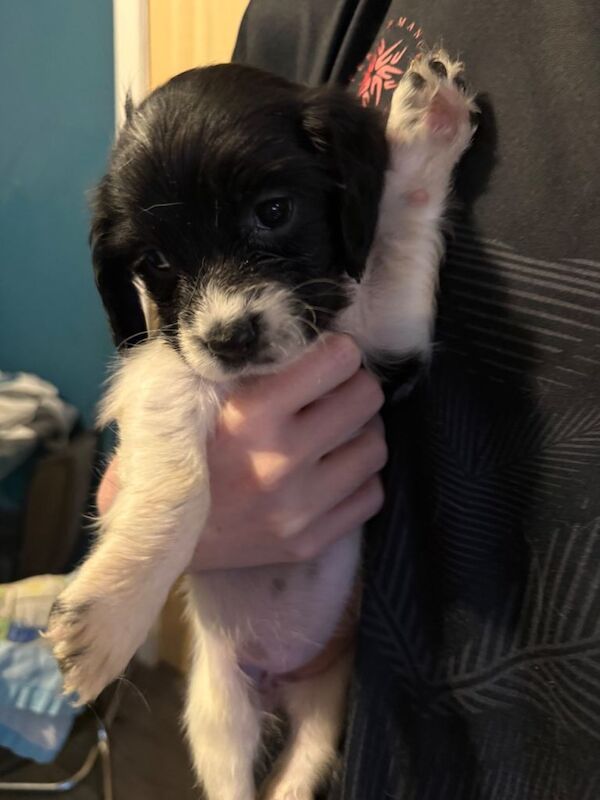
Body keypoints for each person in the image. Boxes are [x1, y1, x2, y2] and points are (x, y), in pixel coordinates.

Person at [99, 2, 600, 797]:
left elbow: (390, 334)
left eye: (272, 215)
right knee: (221, 732)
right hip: (310, 647)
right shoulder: (294, 18)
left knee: (310, 738)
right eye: (159, 264)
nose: (222, 319)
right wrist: (156, 503)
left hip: (471, 699)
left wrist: (412, 190)